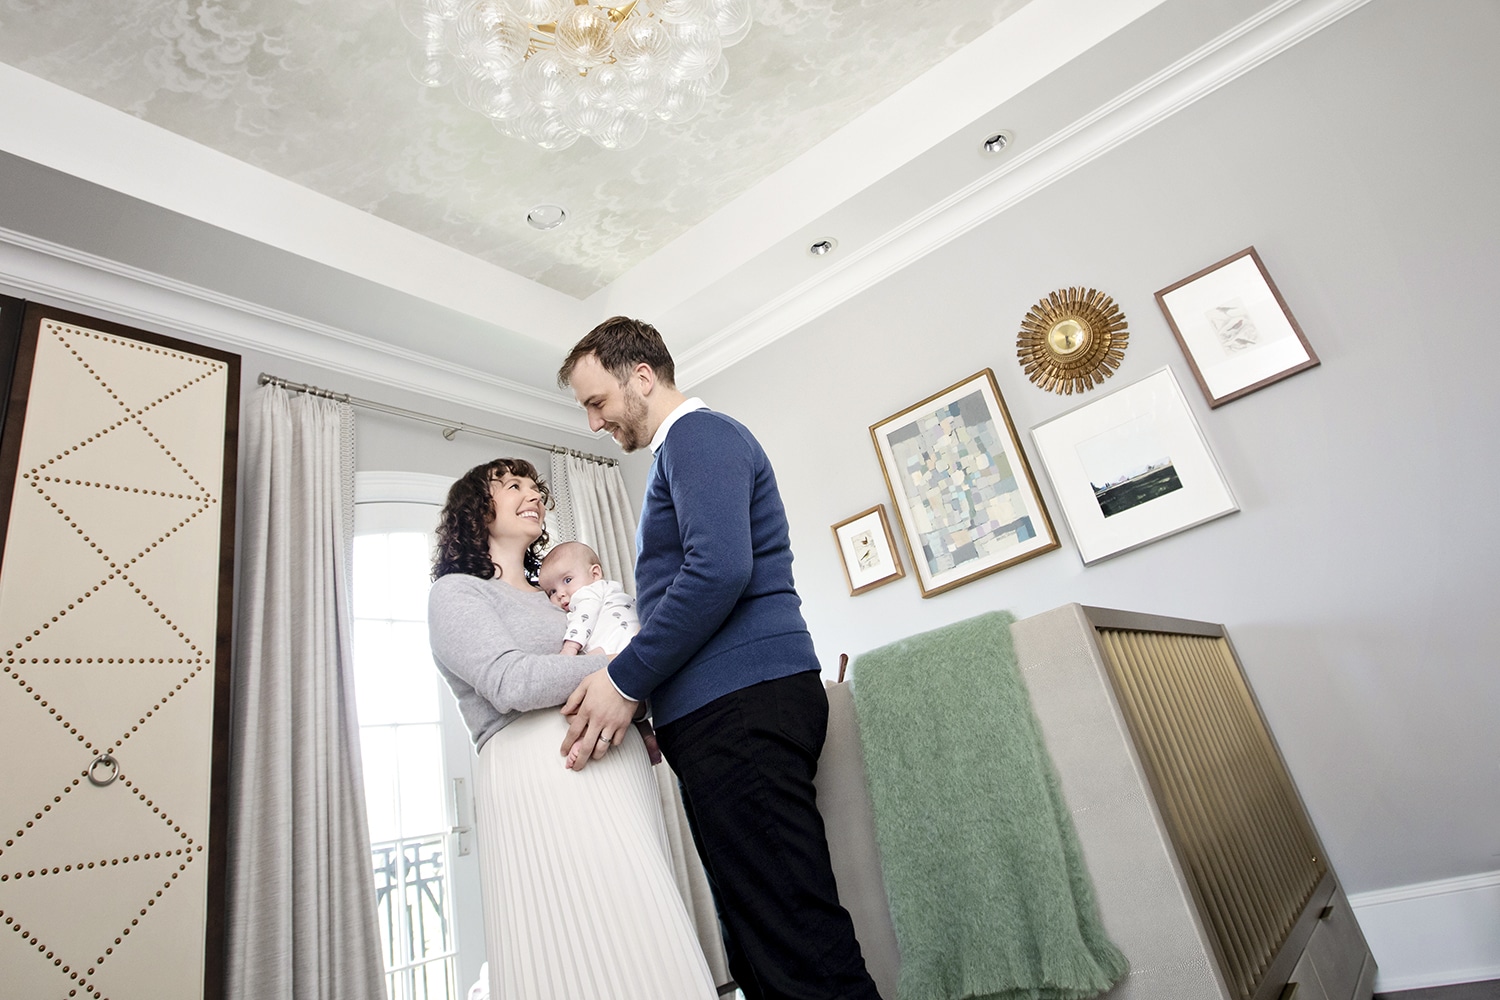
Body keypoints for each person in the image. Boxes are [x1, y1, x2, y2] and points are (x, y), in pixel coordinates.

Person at [556, 317, 884, 1000]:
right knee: (763, 940)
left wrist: (626, 679)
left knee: (795, 941)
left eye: (597, 402)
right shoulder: (684, 452)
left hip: (740, 706)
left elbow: (718, 571)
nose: (594, 422)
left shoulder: (699, 436)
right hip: (726, 710)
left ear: (641, 376)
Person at [426, 458, 718, 1000]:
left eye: (535, 486)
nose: (532, 494)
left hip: (621, 773)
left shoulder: (566, 596)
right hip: (543, 781)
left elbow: (631, 676)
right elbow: (510, 681)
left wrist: (633, 690)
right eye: (512, 486)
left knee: (646, 931)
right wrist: (619, 666)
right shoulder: (458, 594)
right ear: (476, 509)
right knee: (568, 950)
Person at [536, 540, 639, 657]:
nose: (560, 594)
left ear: (595, 574)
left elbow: (585, 613)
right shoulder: (605, 591)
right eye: (552, 591)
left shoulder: (589, 592)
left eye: (567, 580)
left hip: (619, 641)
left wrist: (570, 648)